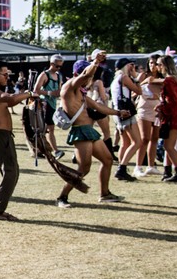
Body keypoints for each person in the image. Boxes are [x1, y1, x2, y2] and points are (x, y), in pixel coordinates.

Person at [55, 53, 131, 208]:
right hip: (79, 131)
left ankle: (105, 194)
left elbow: (98, 106)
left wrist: (118, 112)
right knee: (84, 168)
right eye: (88, 76)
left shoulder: (82, 93)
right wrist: (95, 62)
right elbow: (86, 74)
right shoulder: (69, 86)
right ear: (78, 74)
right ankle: (62, 197)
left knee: (108, 160)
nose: (90, 79)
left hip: (89, 131)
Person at [0, 60, 37, 221]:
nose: (7, 77)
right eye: (4, 74)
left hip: (4, 136)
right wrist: (30, 93)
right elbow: (11, 99)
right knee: (10, 173)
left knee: (12, 172)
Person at [154, 55, 177, 182]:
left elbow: (174, 100)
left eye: (159, 64)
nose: (157, 67)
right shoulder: (176, 79)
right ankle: (169, 171)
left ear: (164, 65)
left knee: (168, 146)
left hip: (173, 115)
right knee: (169, 144)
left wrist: (161, 107)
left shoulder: (169, 80)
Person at [110, 58, 142, 181]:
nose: (132, 67)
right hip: (126, 112)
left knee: (125, 143)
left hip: (118, 113)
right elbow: (139, 91)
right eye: (131, 65)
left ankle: (121, 167)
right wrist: (136, 77)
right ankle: (122, 169)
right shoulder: (124, 77)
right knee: (137, 142)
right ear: (126, 66)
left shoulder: (115, 79)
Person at [33, 54, 65, 158]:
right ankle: (52, 150)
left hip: (53, 105)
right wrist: (51, 93)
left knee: (50, 129)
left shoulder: (59, 75)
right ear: (51, 64)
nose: (58, 68)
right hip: (44, 104)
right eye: (57, 66)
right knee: (44, 129)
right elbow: (36, 90)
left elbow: (59, 90)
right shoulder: (44, 75)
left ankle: (51, 150)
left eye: (60, 66)